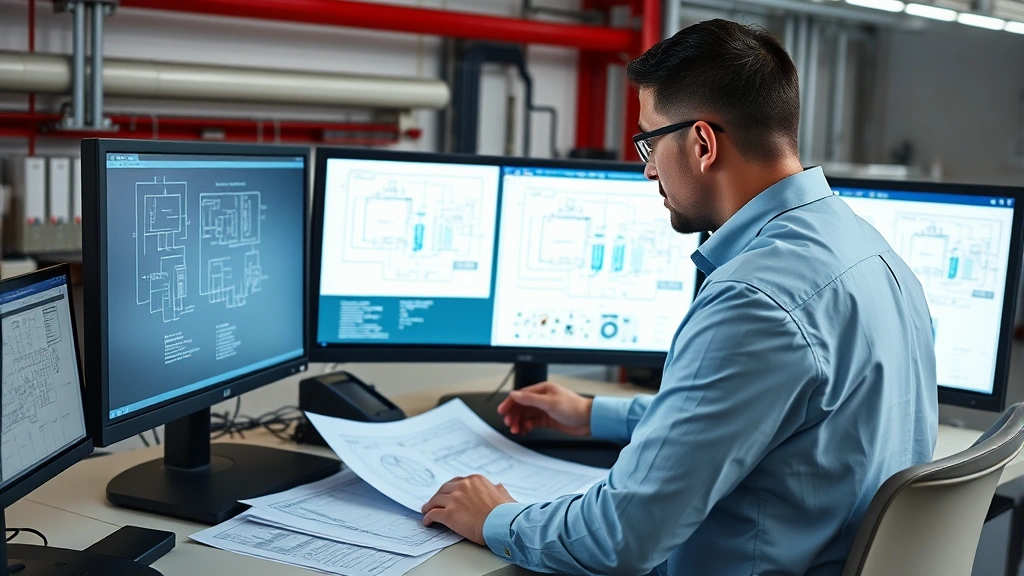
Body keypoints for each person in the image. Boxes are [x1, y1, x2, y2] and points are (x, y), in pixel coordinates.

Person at [420, 18, 938, 576]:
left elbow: (619, 539)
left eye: (649, 140)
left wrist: (496, 517)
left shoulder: (755, 300)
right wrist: (596, 415)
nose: (646, 168)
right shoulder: (871, 250)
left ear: (702, 143)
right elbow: (760, 412)